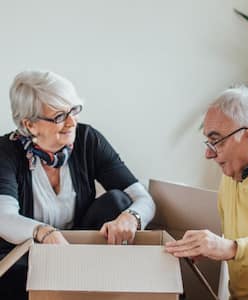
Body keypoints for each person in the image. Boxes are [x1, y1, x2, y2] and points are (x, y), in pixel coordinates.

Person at [0, 70, 155, 299]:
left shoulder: (87, 139)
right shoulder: (6, 152)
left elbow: (142, 199)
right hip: (26, 257)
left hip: (77, 252)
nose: (72, 122)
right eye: (59, 116)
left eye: (74, 110)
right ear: (30, 124)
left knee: (119, 201)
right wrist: (43, 232)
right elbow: (4, 218)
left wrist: (133, 217)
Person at [165, 86, 248, 300]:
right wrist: (212, 247)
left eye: (216, 141)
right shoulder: (232, 175)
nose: (208, 153)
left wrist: (233, 248)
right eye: (208, 142)